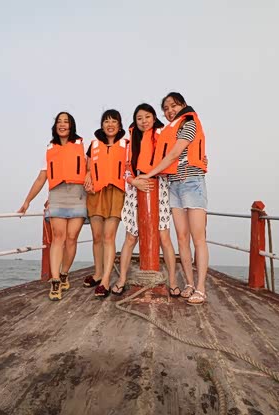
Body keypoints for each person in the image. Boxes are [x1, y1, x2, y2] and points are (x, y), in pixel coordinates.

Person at [136, 92, 209, 305]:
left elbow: (174, 154)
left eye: (174, 106)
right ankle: (189, 283)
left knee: (198, 238)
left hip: (192, 182)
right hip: (174, 185)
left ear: (183, 105)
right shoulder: (169, 130)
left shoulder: (189, 124)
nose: (170, 111)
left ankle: (201, 288)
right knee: (182, 238)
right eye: (166, 108)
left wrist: (148, 174)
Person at [111, 103, 179, 297]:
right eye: (139, 118)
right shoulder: (130, 142)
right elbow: (125, 169)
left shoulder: (163, 135)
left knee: (164, 236)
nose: (144, 121)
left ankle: (173, 281)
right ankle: (122, 279)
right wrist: (134, 181)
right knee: (131, 237)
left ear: (154, 118)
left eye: (147, 117)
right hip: (135, 187)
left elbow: (176, 154)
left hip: (159, 186)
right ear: (135, 121)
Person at [18, 112, 87, 301]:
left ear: (72, 126)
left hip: (78, 194)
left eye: (66, 122)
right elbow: (41, 178)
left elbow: (90, 169)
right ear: (55, 126)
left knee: (71, 238)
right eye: (59, 122)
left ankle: (64, 273)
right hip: (57, 194)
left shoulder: (82, 146)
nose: (62, 124)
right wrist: (27, 201)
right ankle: (55, 280)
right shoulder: (49, 149)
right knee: (58, 237)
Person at [82, 110, 128, 298]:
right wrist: (87, 174)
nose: (110, 124)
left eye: (114, 121)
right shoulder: (93, 145)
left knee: (109, 237)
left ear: (119, 125)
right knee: (97, 237)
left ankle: (106, 280)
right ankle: (98, 273)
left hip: (116, 192)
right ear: (102, 125)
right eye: (106, 121)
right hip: (96, 192)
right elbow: (87, 166)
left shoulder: (127, 145)